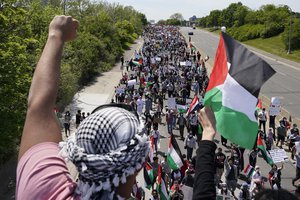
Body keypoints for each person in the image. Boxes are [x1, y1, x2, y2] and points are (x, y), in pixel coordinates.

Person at [16, 16, 150, 200]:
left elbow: (39, 106)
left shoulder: (41, 187)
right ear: (139, 165)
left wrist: (55, 35)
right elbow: (40, 107)